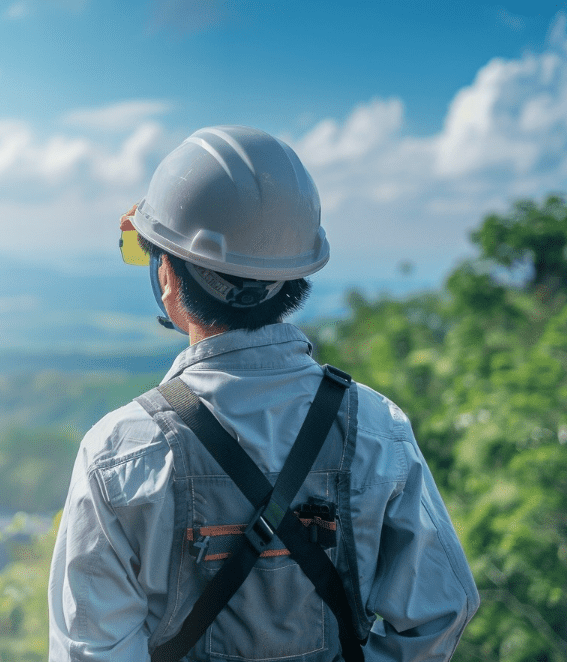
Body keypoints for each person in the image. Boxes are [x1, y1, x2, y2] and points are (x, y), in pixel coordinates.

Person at [48, 125, 479, 661]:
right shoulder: (375, 426)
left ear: (169, 280)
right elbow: (439, 609)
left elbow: (91, 651)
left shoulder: (119, 451)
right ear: (296, 276)